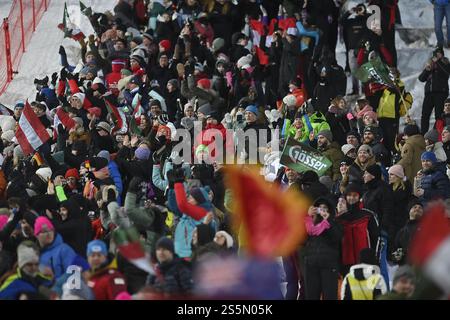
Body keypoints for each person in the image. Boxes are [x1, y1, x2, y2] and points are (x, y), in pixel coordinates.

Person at [302, 198, 343, 300]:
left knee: (329, 295)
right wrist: (308, 216)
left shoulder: (335, 222)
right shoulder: (310, 223)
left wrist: (328, 221)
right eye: (319, 208)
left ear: (329, 210)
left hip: (328, 266)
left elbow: (337, 237)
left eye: (325, 208)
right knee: (312, 295)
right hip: (311, 264)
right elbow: (301, 239)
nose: (322, 210)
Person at [336, 184, 380, 272]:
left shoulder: (368, 215)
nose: (351, 198)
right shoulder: (340, 218)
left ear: (359, 196)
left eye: (355, 195)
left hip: (366, 262)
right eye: (349, 195)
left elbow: (375, 237)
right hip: (346, 262)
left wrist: (374, 257)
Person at [418, 47, 450, 134]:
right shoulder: (431, 64)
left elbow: (447, 73)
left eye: (439, 53)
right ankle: (423, 134)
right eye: (436, 54)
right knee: (425, 115)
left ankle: (438, 133)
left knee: (439, 115)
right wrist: (427, 69)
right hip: (429, 93)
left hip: (441, 93)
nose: (437, 55)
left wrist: (438, 62)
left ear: (442, 54)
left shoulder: (445, 63)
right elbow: (421, 78)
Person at [392, 198, 424, 265]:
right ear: (409, 211)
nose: (417, 209)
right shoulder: (401, 232)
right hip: (406, 269)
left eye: (420, 208)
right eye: (414, 207)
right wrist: (397, 257)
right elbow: (395, 253)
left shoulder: (428, 229)